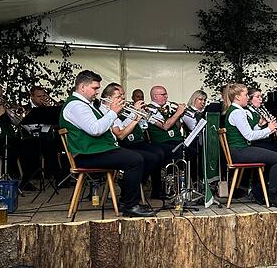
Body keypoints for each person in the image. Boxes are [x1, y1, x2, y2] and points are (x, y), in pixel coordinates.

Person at [59, 70, 153, 217]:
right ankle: (130, 205)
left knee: (137, 157)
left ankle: (126, 202)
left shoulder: (86, 104)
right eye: (95, 88)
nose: (97, 92)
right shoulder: (76, 106)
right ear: (82, 87)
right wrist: (113, 112)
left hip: (94, 151)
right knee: (135, 160)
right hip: (86, 154)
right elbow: (95, 129)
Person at [224, 83, 277, 207]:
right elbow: (249, 136)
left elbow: (250, 132)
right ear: (237, 97)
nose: (248, 97)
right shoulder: (238, 113)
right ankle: (271, 194)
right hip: (240, 151)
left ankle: (261, 191)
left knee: (275, 157)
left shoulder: (237, 111)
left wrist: (260, 125)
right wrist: (269, 129)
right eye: (246, 94)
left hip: (240, 150)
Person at [100, 83, 165, 200]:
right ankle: (129, 190)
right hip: (114, 146)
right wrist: (135, 116)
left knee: (155, 155)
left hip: (120, 144)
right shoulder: (106, 112)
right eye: (119, 97)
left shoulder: (113, 112)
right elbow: (120, 135)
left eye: (122, 96)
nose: (122, 99)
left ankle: (133, 184)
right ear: (109, 98)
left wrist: (137, 117)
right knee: (141, 159)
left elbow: (122, 129)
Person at [0, 83, 40, 190]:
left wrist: (11, 113)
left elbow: (18, 123)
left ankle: (24, 179)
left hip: (8, 140)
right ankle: (13, 179)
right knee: (15, 148)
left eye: (0, 96)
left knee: (31, 145)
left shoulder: (1, 109)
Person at [248, 88, 277, 176]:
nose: (261, 99)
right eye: (257, 97)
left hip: (262, 140)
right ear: (250, 100)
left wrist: (269, 125)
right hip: (254, 143)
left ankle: (272, 180)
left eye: (261, 96)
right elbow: (251, 133)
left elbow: (260, 128)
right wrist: (267, 128)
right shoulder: (248, 112)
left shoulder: (258, 111)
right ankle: (265, 182)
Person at [145, 85, 188, 161]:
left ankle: (190, 172)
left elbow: (176, 128)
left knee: (193, 149)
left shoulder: (166, 109)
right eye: (163, 94)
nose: (166, 97)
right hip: (162, 142)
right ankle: (173, 172)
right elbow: (165, 126)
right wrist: (177, 113)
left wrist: (179, 116)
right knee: (177, 151)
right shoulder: (149, 109)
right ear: (155, 96)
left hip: (175, 140)